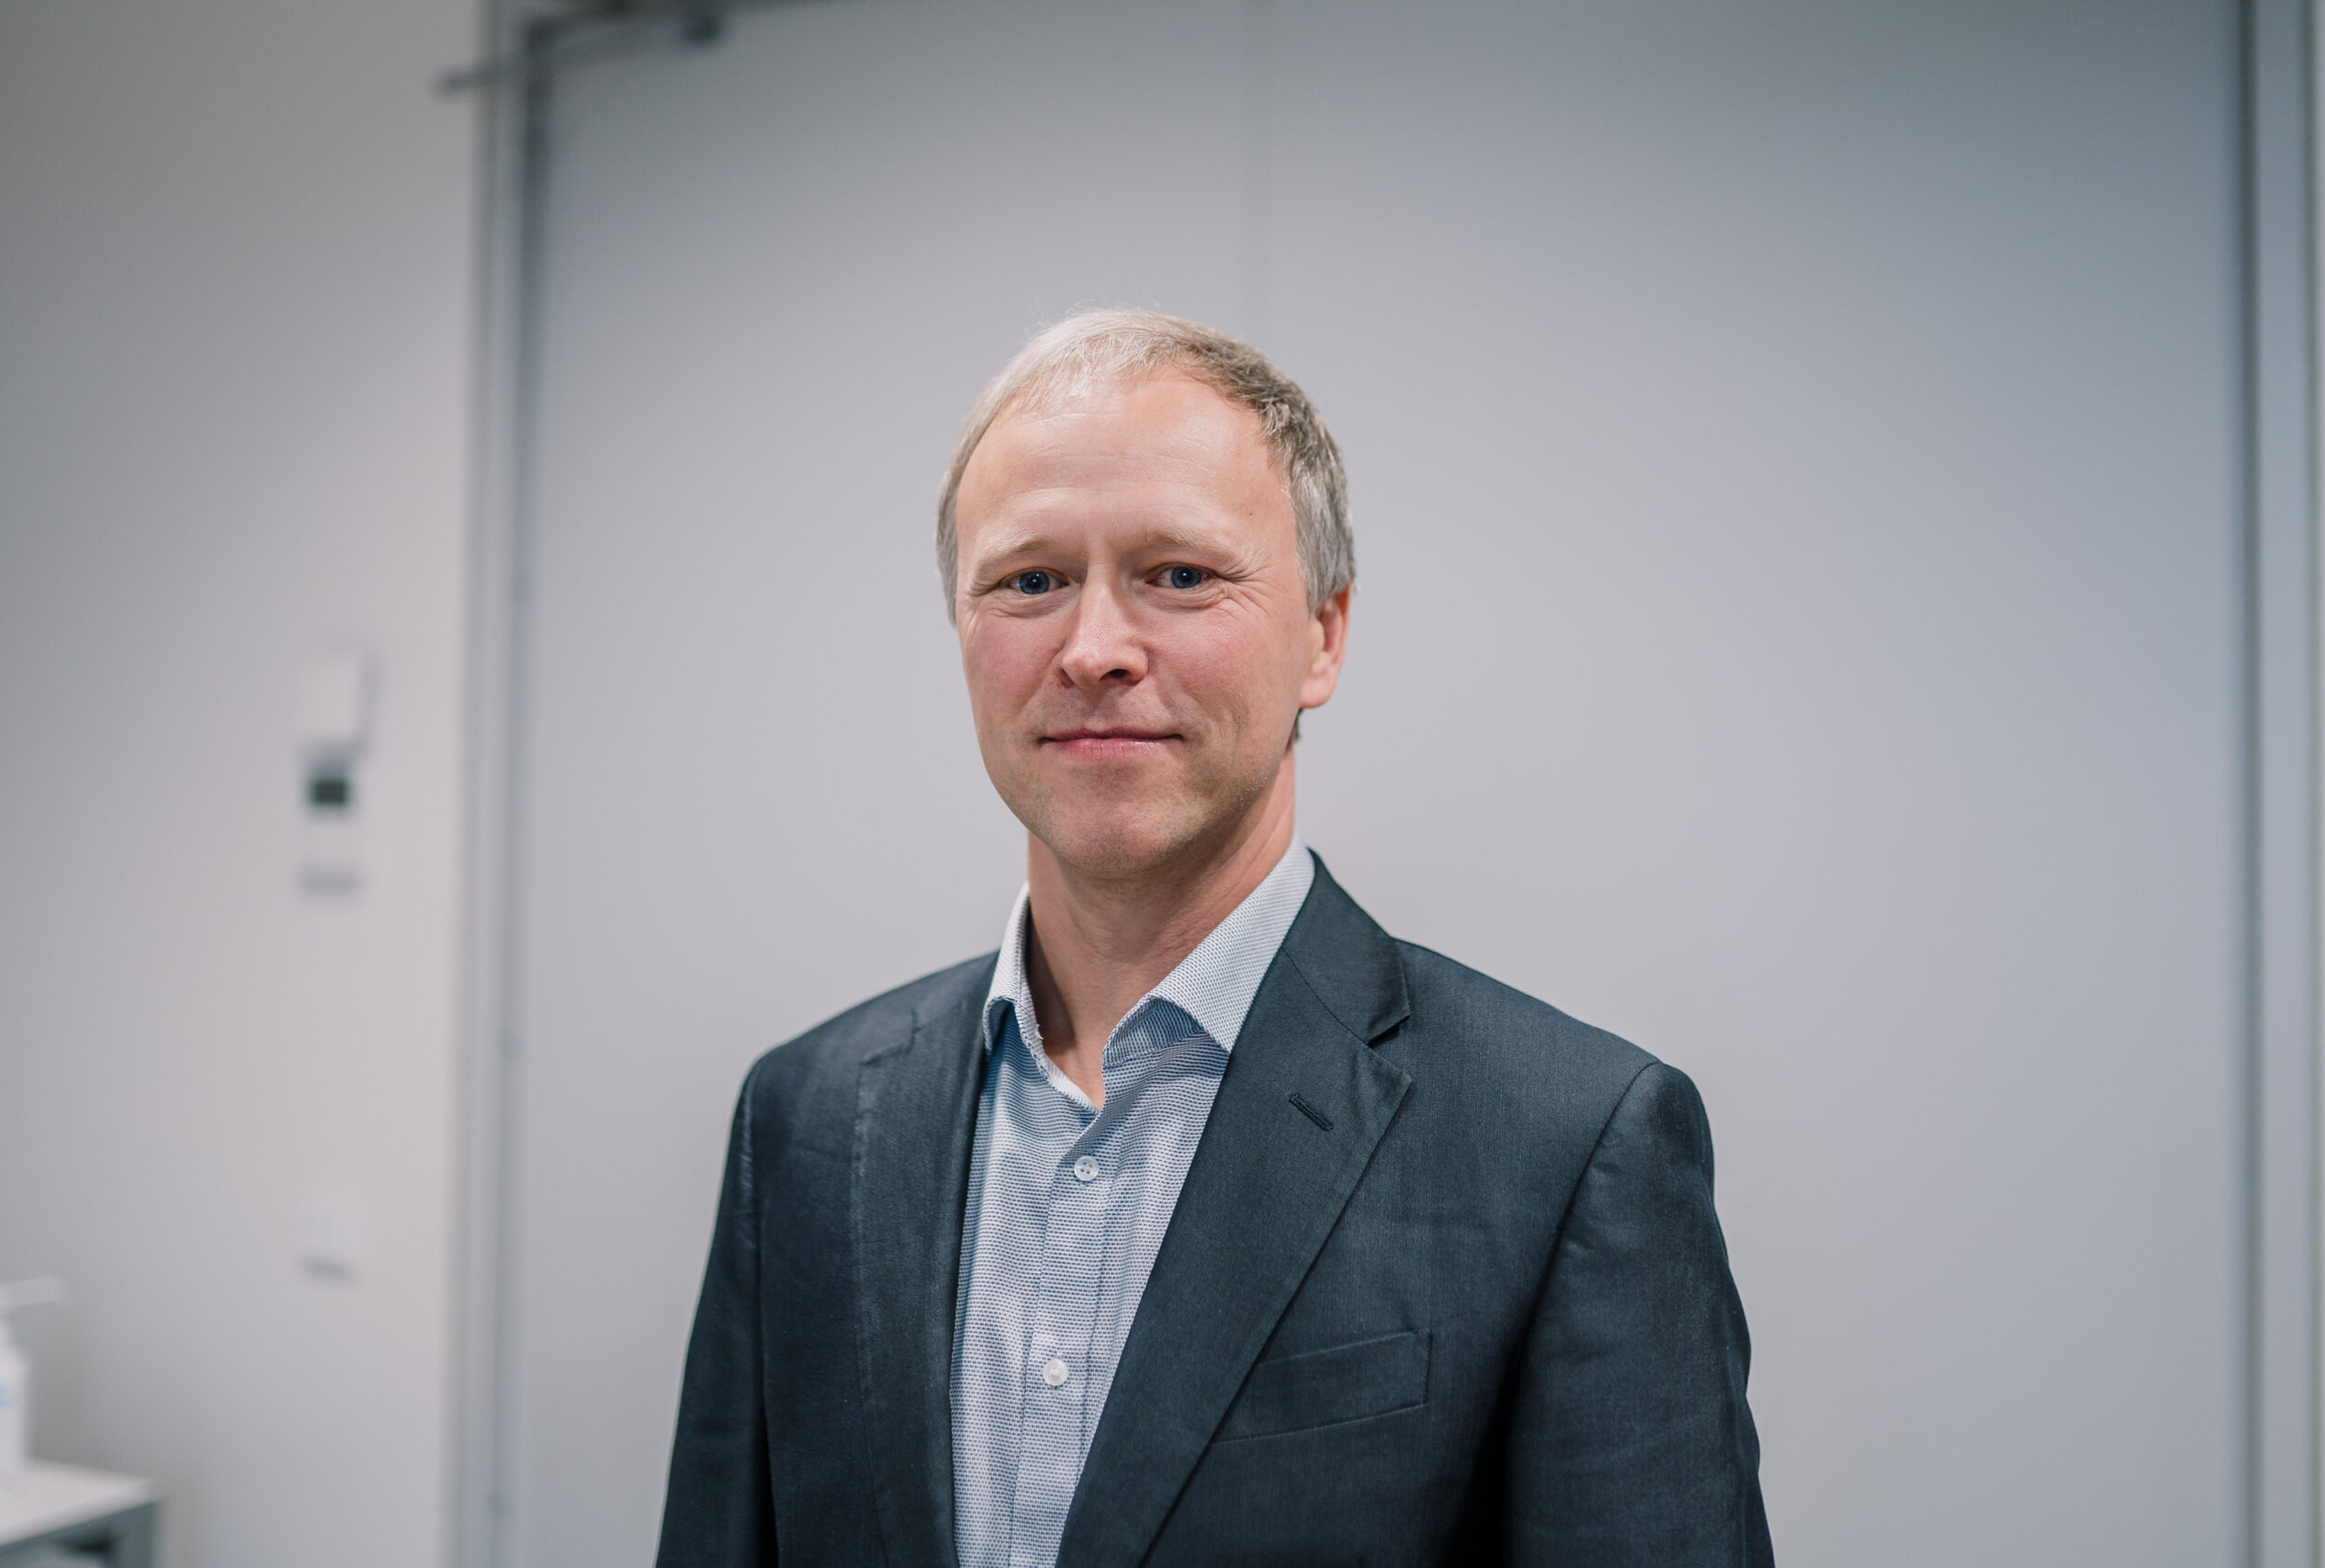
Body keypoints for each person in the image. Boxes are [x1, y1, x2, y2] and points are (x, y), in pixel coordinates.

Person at [655, 309, 1771, 1567]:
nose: (1093, 651)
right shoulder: (807, 1124)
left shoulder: (1570, 1146)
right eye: (1030, 581)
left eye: (1180, 575)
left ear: (1323, 635)